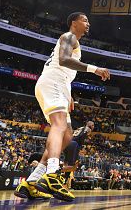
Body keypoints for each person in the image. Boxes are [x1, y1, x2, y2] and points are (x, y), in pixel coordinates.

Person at [15, 12, 110, 202]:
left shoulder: (74, 41)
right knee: (58, 126)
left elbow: (65, 71)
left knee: (67, 135)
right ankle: (52, 174)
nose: (88, 23)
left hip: (59, 85)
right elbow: (64, 60)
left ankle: (31, 182)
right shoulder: (69, 36)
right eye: (85, 20)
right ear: (74, 23)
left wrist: (69, 95)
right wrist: (94, 69)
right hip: (53, 83)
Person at [62, 121, 95, 188]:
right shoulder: (88, 129)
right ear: (90, 125)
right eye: (93, 125)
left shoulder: (80, 128)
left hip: (67, 143)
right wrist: (79, 146)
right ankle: (64, 180)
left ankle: (62, 178)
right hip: (74, 144)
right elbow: (81, 136)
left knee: (66, 162)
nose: (93, 127)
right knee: (73, 164)